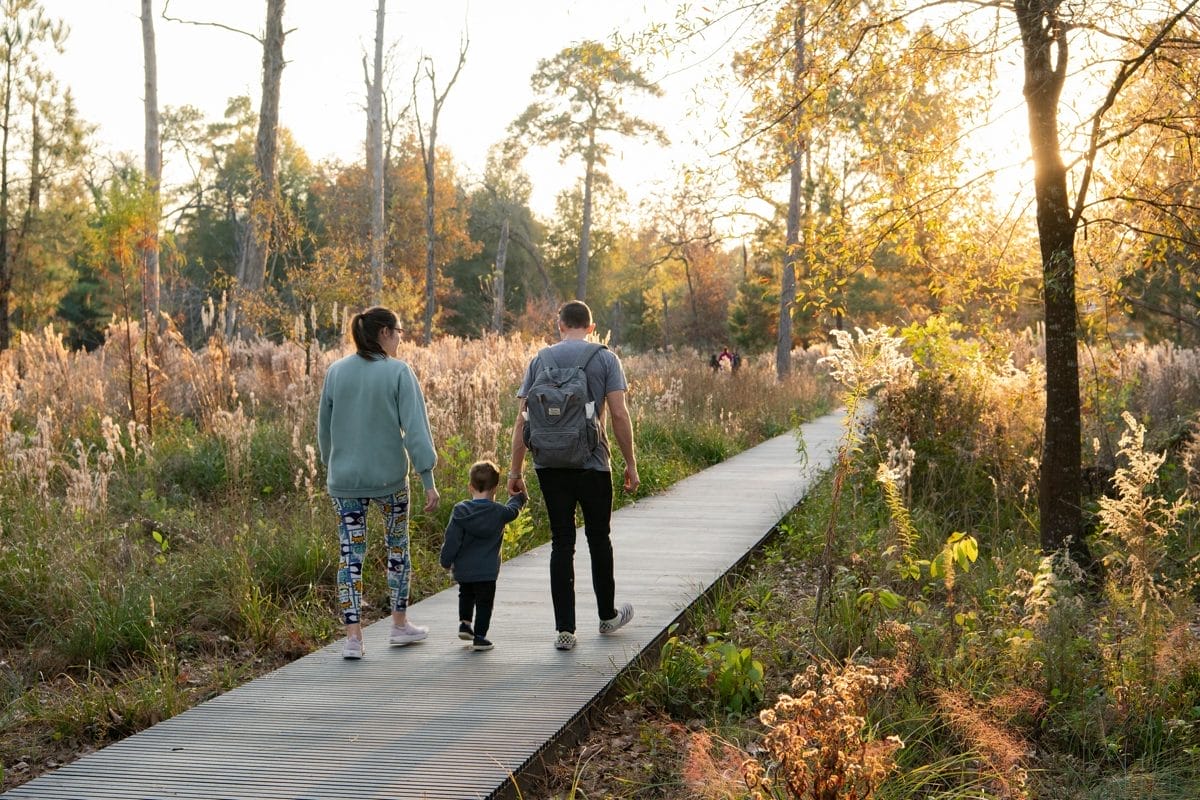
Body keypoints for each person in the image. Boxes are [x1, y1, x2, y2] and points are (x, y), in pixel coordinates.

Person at [507, 300, 639, 651]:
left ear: (560, 324)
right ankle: (607, 615)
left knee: (561, 542)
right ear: (591, 327)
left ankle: (565, 630)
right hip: (594, 463)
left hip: (549, 465)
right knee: (599, 538)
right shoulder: (605, 358)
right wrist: (630, 463)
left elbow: (523, 419)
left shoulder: (540, 360)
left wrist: (515, 470)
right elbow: (620, 414)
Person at [317, 306, 440, 660]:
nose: (400, 337)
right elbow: (416, 430)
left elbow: (323, 429)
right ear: (384, 332)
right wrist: (426, 477)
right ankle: (399, 625)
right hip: (389, 482)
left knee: (350, 555)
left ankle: (353, 638)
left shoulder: (336, 372)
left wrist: (333, 464)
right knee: (397, 547)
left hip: (345, 483)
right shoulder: (399, 372)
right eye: (398, 330)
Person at [440, 460, 527, 652]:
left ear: (470, 487)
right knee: (484, 603)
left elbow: (452, 539)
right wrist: (519, 496)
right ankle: (479, 636)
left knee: (466, 594)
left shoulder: (460, 511)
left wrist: (446, 561)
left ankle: (464, 623)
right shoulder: (499, 512)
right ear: (495, 489)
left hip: (464, 569)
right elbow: (513, 510)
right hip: (487, 571)